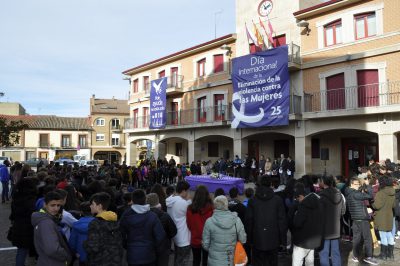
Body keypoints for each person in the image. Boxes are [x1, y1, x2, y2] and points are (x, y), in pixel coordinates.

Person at [245, 177, 287, 266]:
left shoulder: (252, 201)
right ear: (270, 184)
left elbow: (249, 222)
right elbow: (282, 221)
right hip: (273, 239)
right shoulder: (277, 200)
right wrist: (283, 240)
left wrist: (249, 239)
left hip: (257, 239)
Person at [120, 189, 166, 266]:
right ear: (145, 200)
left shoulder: (126, 215)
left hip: (133, 254)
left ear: (132, 200)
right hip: (149, 254)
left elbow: (121, 234)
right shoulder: (152, 216)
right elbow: (160, 236)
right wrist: (153, 247)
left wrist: (127, 245)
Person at [31, 191, 73, 266]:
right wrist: (67, 256)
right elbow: (52, 249)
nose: (56, 208)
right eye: (52, 205)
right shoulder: (46, 223)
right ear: (45, 204)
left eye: (58, 205)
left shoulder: (42, 218)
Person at [202, 195, 246, 265]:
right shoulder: (236, 220)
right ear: (227, 205)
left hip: (214, 261)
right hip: (231, 259)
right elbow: (243, 240)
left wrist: (213, 250)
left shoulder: (209, 221)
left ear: (215, 206)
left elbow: (205, 245)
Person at [345, 176, 378, 265]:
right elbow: (370, 195)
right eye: (357, 184)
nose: (358, 186)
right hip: (362, 219)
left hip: (355, 219)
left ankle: (355, 255)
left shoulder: (348, 192)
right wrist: (368, 185)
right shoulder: (356, 193)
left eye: (359, 184)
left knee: (357, 238)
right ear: (351, 184)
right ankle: (369, 257)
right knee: (368, 238)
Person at [84, 192, 123, 266]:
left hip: (99, 261)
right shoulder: (115, 220)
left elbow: (93, 247)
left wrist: (85, 244)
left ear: (99, 206)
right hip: (115, 260)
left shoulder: (95, 223)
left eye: (92, 204)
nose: (90, 206)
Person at [290, 183, 324, 266]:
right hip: (313, 239)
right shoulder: (318, 203)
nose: (297, 201)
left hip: (302, 240)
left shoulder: (303, 206)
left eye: (297, 199)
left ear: (301, 196)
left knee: (297, 262)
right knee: (310, 262)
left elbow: (297, 223)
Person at [319, 175, 346, 266]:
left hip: (324, 228)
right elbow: (343, 211)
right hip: (336, 227)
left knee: (324, 253)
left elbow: (319, 213)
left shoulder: (321, 196)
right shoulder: (339, 194)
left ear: (323, 182)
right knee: (336, 252)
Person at [9, 178, 38, 266]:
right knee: (22, 251)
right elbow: (33, 215)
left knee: (21, 251)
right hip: (27, 229)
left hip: (18, 227)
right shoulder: (31, 200)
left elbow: (12, 215)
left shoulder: (16, 198)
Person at [147, 193, 177, 266]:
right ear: (158, 201)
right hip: (163, 248)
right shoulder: (165, 215)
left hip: (148, 248)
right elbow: (173, 231)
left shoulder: (144, 215)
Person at [186, 185, 214, 266]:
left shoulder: (190, 209)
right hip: (207, 239)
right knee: (206, 261)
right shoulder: (211, 208)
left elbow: (189, 224)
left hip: (195, 238)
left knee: (196, 260)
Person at [166, 181, 192, 266]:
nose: (188, 193)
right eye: (187, 191)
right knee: (183, 262)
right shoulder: (182, 203)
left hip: (176, 236)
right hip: (184, 237)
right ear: (184, 191)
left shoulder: (170, 200)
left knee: (177, 260)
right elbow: (191, 212)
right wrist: (189, 201)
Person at [372, 176, 396, 260]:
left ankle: (383, 255)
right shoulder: (393, 191)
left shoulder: (381, 193)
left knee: (383, 235)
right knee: (389, 234)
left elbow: (377, 206)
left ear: (382, 183)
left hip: (381, 216)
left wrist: (372, 204)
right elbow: (394, 205)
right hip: (389, 215)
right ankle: (391, 254)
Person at [69, 201, 95, 266]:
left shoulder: (76, 225)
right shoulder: (99, 224)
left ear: (81, 212)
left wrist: (76, 253)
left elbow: (72, 243)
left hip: (82, 256)